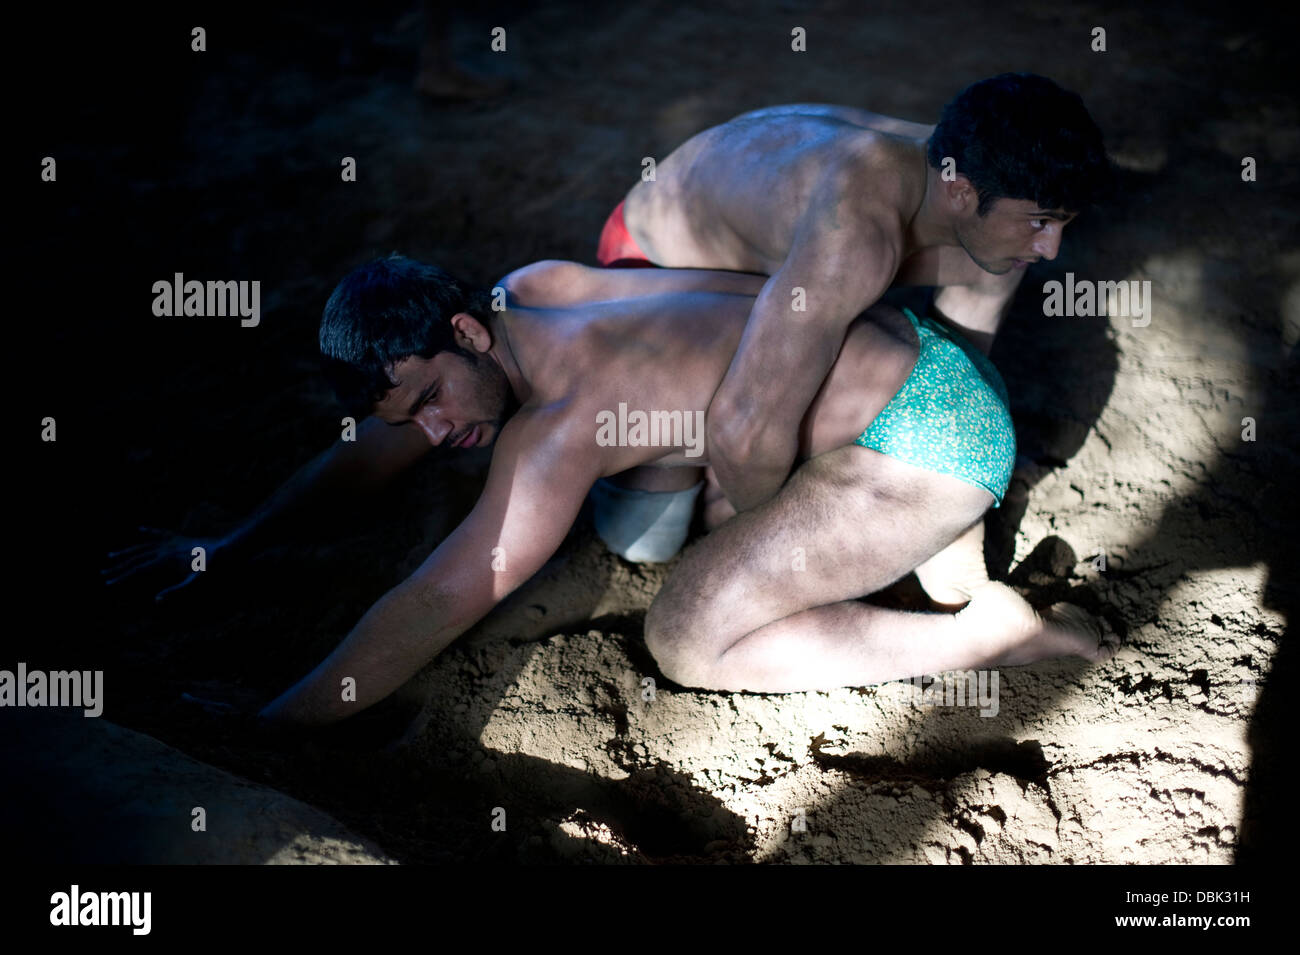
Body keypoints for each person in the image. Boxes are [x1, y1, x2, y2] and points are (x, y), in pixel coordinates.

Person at [115, 253, 1105, 726]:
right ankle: (945, 558)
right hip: (918, 352)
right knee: (649, 500)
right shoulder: (531, 290)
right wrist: (223, 547)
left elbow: (433, 599)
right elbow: (371, 453)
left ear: (459, 334)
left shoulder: (558, 428)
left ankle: (981, 634)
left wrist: (274, 722)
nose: (432, 430)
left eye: (429, 398)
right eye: (408, 415)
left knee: (685, 635)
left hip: (923, 441)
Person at [596, 73, 1111, 604]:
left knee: (822, 390)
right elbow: (744, 429)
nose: (1051, 247)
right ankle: (643, 451)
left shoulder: (985, 179)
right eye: (1041, 222)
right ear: (962, 193)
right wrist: (779, 538)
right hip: (648, 261)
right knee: (646, 538)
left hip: (774, 239)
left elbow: (956, 372)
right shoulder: (855, 238)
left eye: (1062, 223)